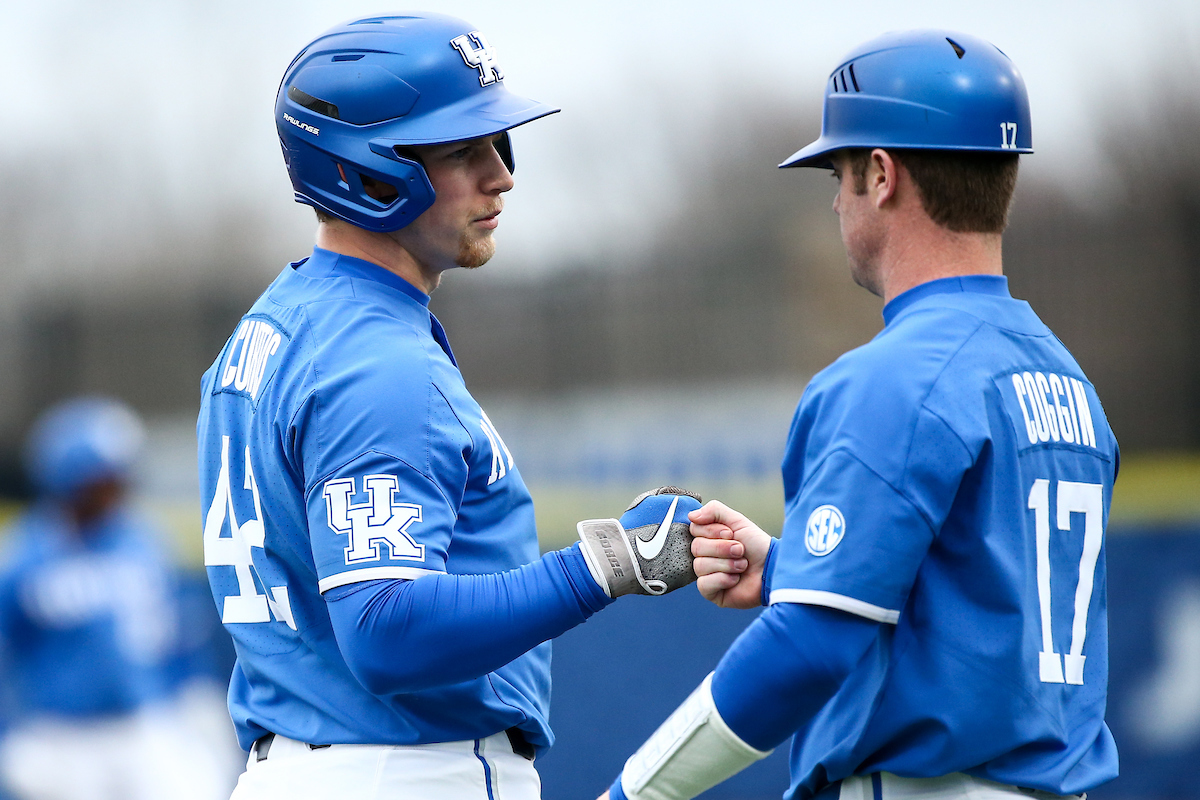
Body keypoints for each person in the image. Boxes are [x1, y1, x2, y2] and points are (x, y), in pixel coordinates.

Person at [196, 13, 745, 800]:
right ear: (368, 169)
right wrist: (608, 564)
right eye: (462, 150)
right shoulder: (374, 363)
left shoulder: (273, 330)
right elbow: (387, 630)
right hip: (406, 771)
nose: (501, 174)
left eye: (496, 143)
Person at [602, 30, 1119, 800]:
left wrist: (635, 792)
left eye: (839, 173)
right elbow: (974, 609)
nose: (837, 199)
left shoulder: (892, 379)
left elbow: (806, 651)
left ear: (882, 175)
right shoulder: (1063, 376)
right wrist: (790, 572)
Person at [0, 397, 228, 800]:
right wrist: (11, 731)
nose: (115, 490)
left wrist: (195, 693)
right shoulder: (26, 554)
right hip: (63, 734)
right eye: (103, 479)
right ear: (68, 478)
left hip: (145, 722)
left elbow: (179, 633)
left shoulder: (144, 542)